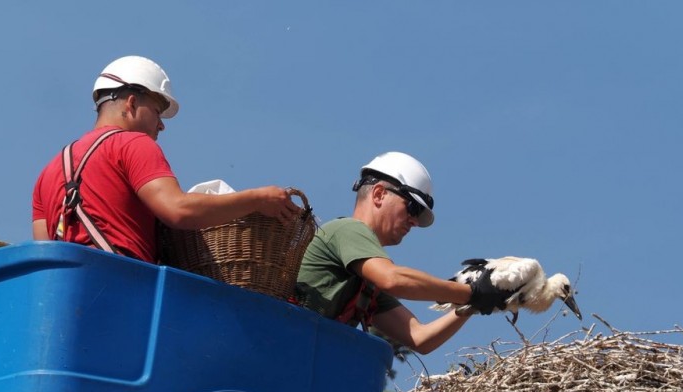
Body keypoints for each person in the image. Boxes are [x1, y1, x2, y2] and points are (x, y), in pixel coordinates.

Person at [32, 55, 299, 263]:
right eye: (158, 113)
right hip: (120, 291)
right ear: (132, 104)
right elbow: (178, 210)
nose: (161, 126)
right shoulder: (133, 144)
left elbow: (44, 256)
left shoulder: (49, 172)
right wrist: (257, 200)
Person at [294, 151, 503, 355]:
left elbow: (420, 338)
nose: (414, 221)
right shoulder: (348, 230)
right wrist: (471, 291)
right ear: (378, 194)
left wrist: (473, 303)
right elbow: (393, 279)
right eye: (412, 208)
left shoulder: (367, 284)